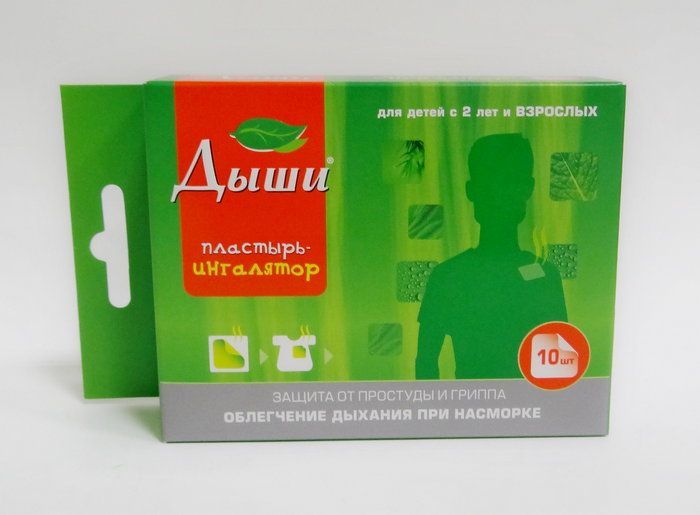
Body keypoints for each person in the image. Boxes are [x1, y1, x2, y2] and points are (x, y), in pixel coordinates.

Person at [415, 133, 567, 379]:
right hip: (496, 401)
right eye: (491, 184)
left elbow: (425, 364)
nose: (499, 195)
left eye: (509, 183)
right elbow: (425, 363)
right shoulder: (447, 277)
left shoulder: (449, 276)